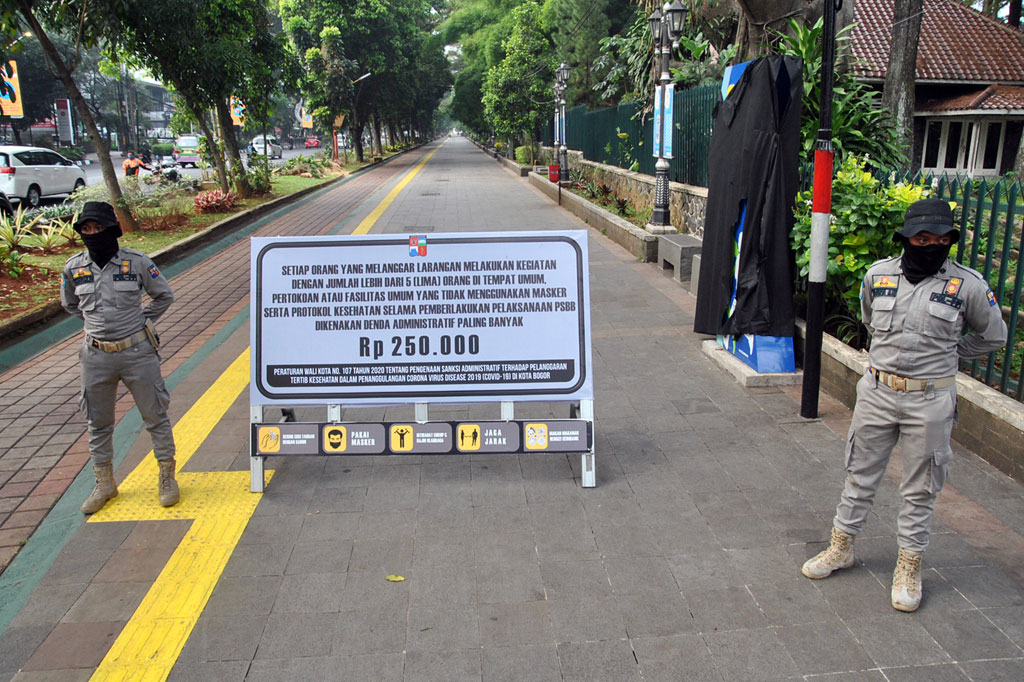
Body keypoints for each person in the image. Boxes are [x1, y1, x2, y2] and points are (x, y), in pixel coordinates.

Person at [801, 198, 1007, 612]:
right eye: (922, 239)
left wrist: (950, 354)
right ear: (907, 238)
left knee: (921, 488)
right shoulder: (877, 275)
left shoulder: (967, 285)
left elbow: (993, 336)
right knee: (859, 474)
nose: (931, 246)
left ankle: (909, 565)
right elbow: (868, 320)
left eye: (940, 239)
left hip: (930, 400)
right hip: (877, 393)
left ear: (949, 241)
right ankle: (841, 546)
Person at [61, 201, 179, 514]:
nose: (92, 233)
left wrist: (141, 321)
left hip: (137, 353)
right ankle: (104, 483)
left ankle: (167, 477)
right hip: (96, 356)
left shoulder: (137, 262)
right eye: (86, 229)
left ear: (112, 229)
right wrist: (96, 325)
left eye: (98, 228)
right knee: (97, 422)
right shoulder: (74, 268)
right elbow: (70, 304)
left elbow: (164, 295)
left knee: (155, 416)